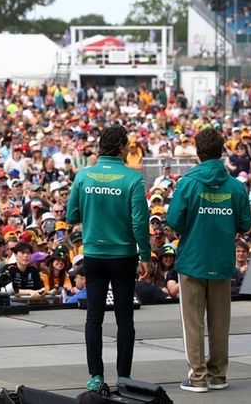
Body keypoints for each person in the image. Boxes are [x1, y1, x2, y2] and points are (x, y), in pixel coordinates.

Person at [66, 124, 151, 393]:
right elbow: (140, 222)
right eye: (127, 145)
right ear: (120, 147)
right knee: (125, 319)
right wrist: (146, 255)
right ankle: (123, 377)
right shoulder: (132, 178)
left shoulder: (83, 176)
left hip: (94, 254)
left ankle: (95, 376)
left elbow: (71, 216)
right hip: (124, 254)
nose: (129, 149)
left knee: (94, 317)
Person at [166, 126, 251, 393]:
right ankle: (217, 375)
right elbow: (245, 224)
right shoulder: (236, 187)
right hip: (222, 261)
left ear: (198, 151)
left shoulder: (188, 183)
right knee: (219, 322)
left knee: (193, 322)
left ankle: (198, 377)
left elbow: (173, 220)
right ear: (221, 149)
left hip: (192, 259)